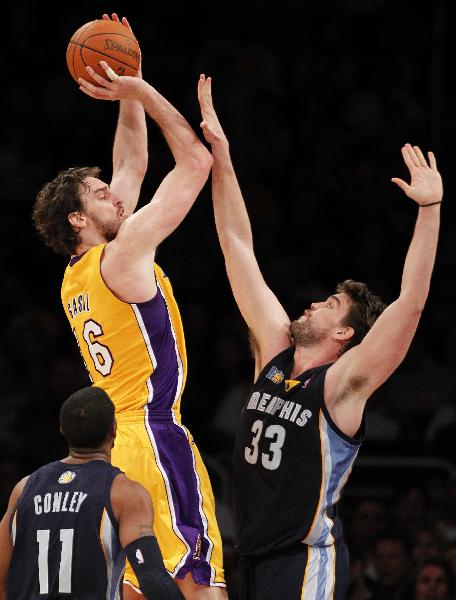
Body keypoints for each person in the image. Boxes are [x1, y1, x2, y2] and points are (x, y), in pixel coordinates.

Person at [197, 74, 443, 599]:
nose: (312, 303)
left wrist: (429, 210)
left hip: (304, 558)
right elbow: (236, 241)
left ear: (345, 332)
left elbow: (412, 303)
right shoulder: (274, 350)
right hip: (253, 557)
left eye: (329, 304)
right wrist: (222, 153)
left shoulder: (342, 384)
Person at [32, 15, 226, 599]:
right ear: (77, 219)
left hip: (112, 453)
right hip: (152, 432)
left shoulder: (76, 277)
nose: (114, 195)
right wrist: (142, 91)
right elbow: (194, 162)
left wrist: (127, 84)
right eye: (98, 195)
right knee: (198, 583)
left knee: (136, 590)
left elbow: (133, 166)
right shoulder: (123, 256)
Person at [0, 385, 184, 600]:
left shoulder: (23, 488)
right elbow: (152, 577)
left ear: (62, 430)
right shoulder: (125, 493)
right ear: (114, 429)